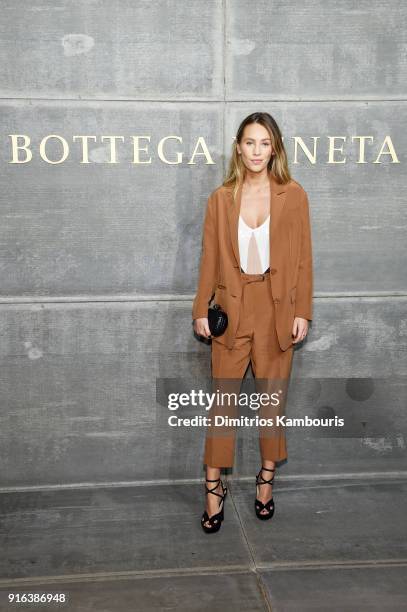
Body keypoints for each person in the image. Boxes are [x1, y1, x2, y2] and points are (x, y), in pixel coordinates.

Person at [192, 112, 313, 533]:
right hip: (233, 307)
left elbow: (302, 260)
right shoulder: (220, 198)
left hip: (277, 309)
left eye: (265, 143)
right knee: (222, 405)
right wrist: (199, 308)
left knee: (271, 404)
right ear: (238, 147)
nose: (257, 151)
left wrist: (303, 311)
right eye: (250, 142)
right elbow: (209, 258)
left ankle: (266, 480)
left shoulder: (293, 195)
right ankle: (213, 487)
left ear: (274, 148)